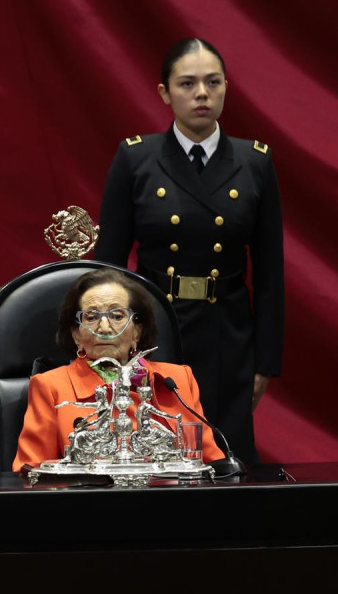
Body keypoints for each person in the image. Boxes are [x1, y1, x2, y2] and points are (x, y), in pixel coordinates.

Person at [94, 37, 283, 464]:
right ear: (164, 92)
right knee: (154, 461)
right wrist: (109, 348)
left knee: (223, 461)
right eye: (187, 83)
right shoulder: (136, 160)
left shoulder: (254, 162)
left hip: (228, 336)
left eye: (213, 82)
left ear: (226, 87)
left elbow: (270, 274)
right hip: (155, 334)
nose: (202, 94)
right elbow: (108, 268)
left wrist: (265, 362)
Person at [13, 268, 224, 470]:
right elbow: (30, 472)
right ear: (77, 335)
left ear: (137, 332)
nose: (104, 328)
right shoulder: (51, 387)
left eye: (117, 316)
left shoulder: (176, 380)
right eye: (92, 317)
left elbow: (212, 465)